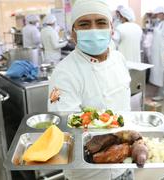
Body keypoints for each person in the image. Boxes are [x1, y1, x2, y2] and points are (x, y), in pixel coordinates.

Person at [48, 0, 132, 179]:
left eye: (101, 22)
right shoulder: (64, 72)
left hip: (124, 163)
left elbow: (125, 108)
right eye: (84, 24)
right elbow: (65, 126)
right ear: (73, 33)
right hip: (88, 173)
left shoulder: (119, 59)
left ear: (111, 28)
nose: (93, 29)